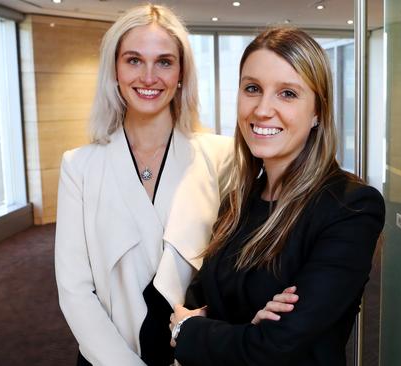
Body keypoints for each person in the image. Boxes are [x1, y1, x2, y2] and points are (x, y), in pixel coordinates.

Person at [169, 27, 385, 365]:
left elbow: (274, 346)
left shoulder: (350, 207)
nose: (262, 109)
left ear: (317, 112)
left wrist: (189, 332)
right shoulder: (238, 201)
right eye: (252, 88)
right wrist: (249, 330)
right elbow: (199, 299)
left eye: (287, 93)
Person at [54, 5, 234, 366]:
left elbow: (240, 263)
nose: (149, 76)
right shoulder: (80, 166)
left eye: (164, 62)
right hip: (107, 357)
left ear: (181, 73)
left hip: (195, 353)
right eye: (134, 60)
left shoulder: (221, 156)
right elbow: (75, 291)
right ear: (115, 70)